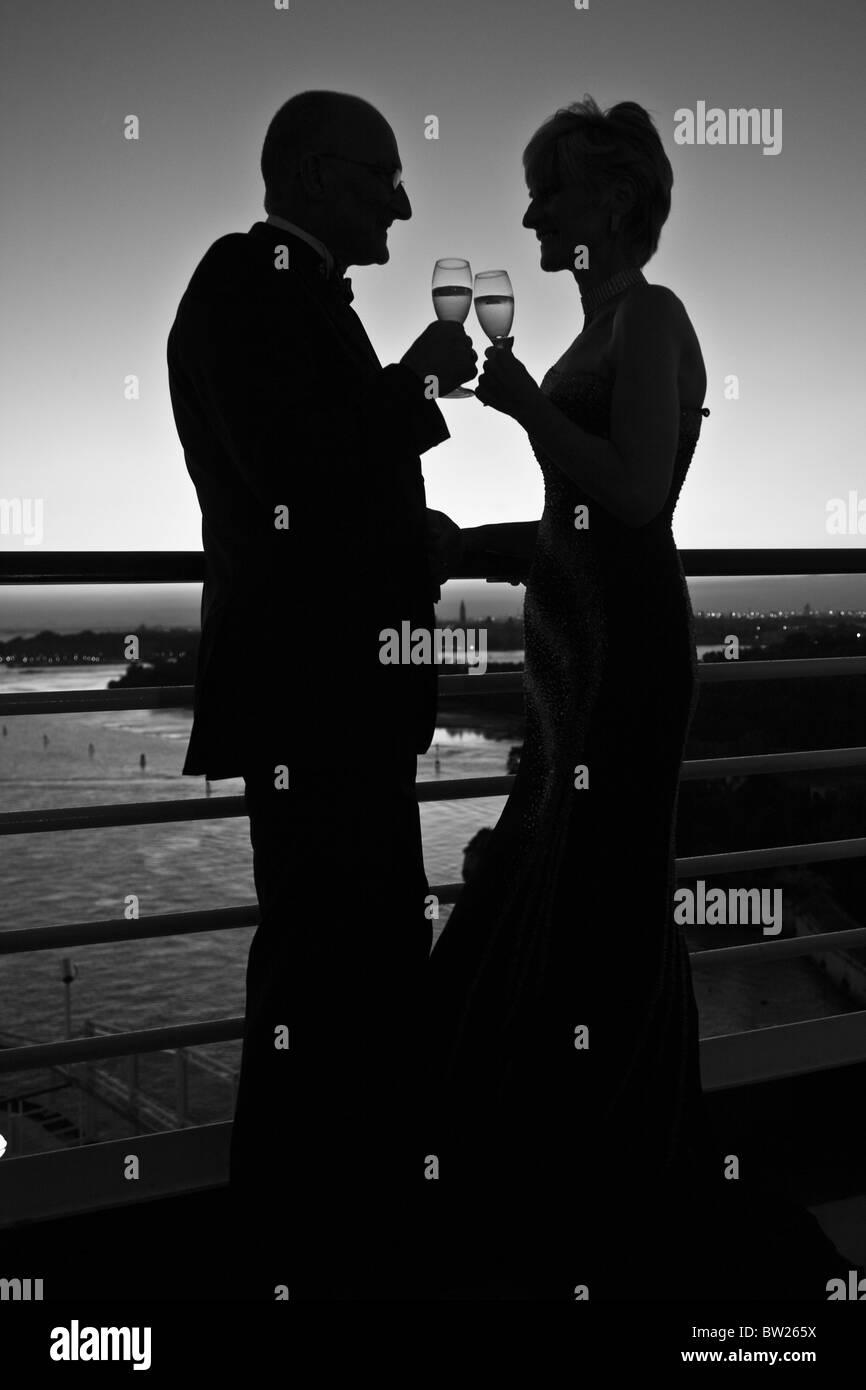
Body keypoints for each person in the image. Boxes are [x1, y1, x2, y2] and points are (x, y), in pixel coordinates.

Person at [424, 96, 843, 1300]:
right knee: (555, 874)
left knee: (596, 897)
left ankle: (605, 1176)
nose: (528, 212)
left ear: (609, 202)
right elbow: (568, 523)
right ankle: (565, 1158)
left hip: (623, 657)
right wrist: (458, 546)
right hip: (568, 649)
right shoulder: (594, 329)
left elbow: (634, 498)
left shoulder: (649, 318)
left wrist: (519, 409)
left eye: (546, 190)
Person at [166, 89, 475, 1299]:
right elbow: (305, 480)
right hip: (315, 704)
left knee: (346, 971)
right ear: (309, 175)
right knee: (324, 974)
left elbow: (325, 479)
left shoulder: (281, 296)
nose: (402, 198)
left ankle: (326, 1237)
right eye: (381, 174)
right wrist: (414, 392)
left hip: (331, 705)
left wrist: (411, 492)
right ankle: (302, 1250)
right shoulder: (252, 285)